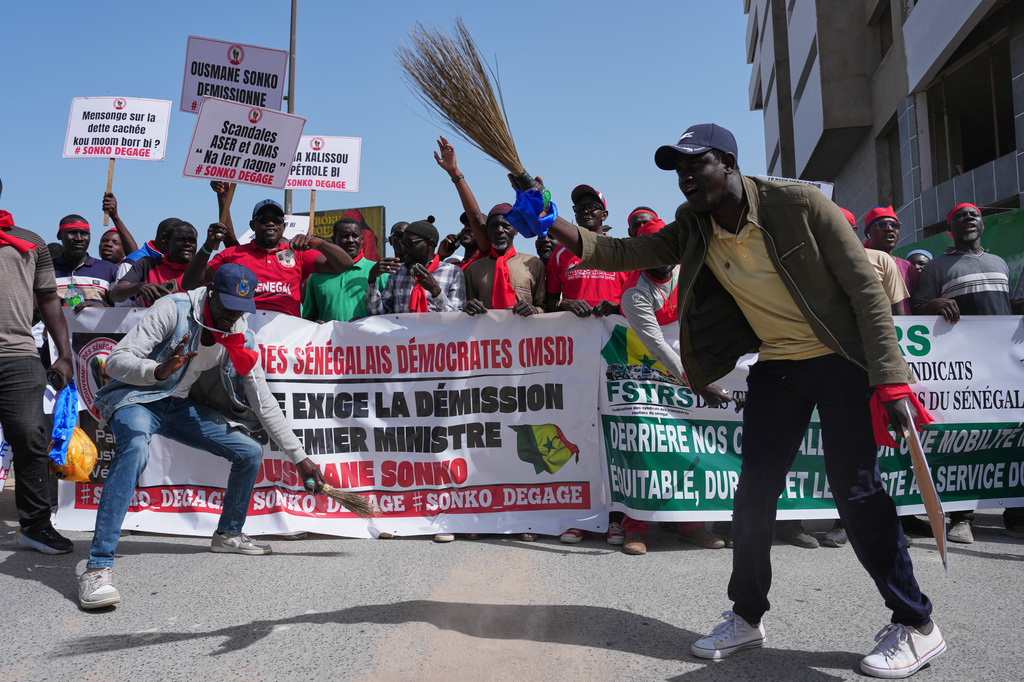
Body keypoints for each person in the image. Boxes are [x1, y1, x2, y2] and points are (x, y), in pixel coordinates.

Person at [513, 123, 942, 678]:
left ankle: (916, 624)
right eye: (679, 169)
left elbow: (865, 288)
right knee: (753, 493)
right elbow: (619, 251)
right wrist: (550, 219)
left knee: (856, 493)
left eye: (698, 164)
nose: (686, 177)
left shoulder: (800, 203)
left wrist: (891, 379)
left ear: (731, 165)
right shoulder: (692, 226)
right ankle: (747, 615)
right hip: (779, 367)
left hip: (843, 361)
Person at [78, 264, 329, 609]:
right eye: (226, 306)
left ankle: (228, 533)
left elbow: (263, 400)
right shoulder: (174, 309)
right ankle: (98, 566)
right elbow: (116, 360)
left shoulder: (240, 336)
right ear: (210, 292)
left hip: (177, 406)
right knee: (135, 448)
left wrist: (299, 458)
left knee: (248, 451)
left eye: (241, 309)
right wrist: (156, 371)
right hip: (137, 398)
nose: (232, 317)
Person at [617, 216, 729, 555]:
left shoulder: (687, 273)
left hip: (687, 371)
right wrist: (698, 381)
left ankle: (691, 526)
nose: (663, 256)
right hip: (644, 375)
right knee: (644, 446)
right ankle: (634, 528)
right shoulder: (635, 292)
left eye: (669, 248)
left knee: (688, 445)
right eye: (654, 250)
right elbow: (658, 346)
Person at [912, 202, 1023, 542]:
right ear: (951, 228)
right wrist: (933, 304)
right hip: (963, 369)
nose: (969, 220)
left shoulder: (1000, 263)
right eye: (960, 217)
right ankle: (962, 518)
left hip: (1003, 368)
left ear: (982, 225)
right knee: (968, 438)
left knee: (1010, 434)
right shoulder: (938, 266)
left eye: (974, 215)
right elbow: (917, 306)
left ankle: (1015, 514)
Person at [0, 177, 76, 554]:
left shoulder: (30, 242)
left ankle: (34, 525)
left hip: (17, 353)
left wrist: (65, 353)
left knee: (31, 435)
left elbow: (49, 299)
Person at [181, 199, 352, 317]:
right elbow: (191, 284)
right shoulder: (233, 254)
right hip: (244, 334)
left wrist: (318, 243)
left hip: (286, 338)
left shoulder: (297, 253)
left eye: (276, 219)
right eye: (263, 219)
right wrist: (207, 246)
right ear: (252, 225)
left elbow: (344, 264)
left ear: (284, 226)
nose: (271, 223)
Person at [545, 184, 631, 319]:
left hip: (614, 334)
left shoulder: (619, 251)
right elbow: (550, 302)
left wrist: (616, 307)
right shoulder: (559, 255)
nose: (585, 211)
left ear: (604, 215)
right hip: (575, 335)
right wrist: (566, 304)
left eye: (591, 207)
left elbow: (635, 299)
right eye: (579, 208)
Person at [365, 220, 465, 316]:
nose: (404, 248)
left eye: (409, 243)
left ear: (429, 244)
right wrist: (372, 279)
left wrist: (436, 291)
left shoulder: (453, 273)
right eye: (402, 243)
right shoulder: (397, 273)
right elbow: (377, 313)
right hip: (403, 333)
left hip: (437, 333)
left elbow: (456, 319)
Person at [302, 217, 388, 322]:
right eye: (345, 236)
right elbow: (308, 317)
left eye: (355, 236)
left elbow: (389, 315)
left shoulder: (378, 272)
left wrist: (365, 323)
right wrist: (315, 324)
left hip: (367, 338)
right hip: (329, 338)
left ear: (361, 239)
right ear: (334, 240)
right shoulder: (316, 276)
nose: (351, 240)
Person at [109, 221, 198, 307]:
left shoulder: (200, 271)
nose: (187, 244)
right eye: (181, 239)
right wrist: (138, 287)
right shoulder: (147, 264)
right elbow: (115, 295)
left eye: (192, 240)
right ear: (166, 241)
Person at [52, 214, 118, 311]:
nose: (79, 238)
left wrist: (102, 308)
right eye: (72, 233)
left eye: (84, 233)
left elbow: (121, 309)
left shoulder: (108, 269)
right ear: (59, 236)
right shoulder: (47, 269)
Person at [863, 206, 918, 315]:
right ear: (868, 233)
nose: (889, 229)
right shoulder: (859, 263)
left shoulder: (909, 268)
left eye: (895, 225)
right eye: (882, 225)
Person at [100, 191, 139, 263]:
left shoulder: (126, 271)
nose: (108, 244)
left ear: (124, 251)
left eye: (116, 243)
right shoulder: (90, 270)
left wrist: (115, 217)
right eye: (104, 241)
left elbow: (135, 255)